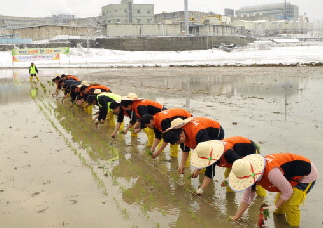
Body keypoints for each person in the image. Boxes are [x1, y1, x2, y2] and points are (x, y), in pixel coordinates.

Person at [229, 153, 317, 226]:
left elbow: (288, 191)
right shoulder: (250, 172)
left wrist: (273, 207)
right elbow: (247, 198)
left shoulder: (272, 173)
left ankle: (294, 226)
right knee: (278, 210)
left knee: (291, 206)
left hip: (306, 175)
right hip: (288, 175)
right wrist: (237, 217)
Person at [190, 137, 266, 196]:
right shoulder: (210, 157)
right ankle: (230, 194)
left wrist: (227, 180)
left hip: (248, 150)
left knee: (254, 178)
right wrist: (201, 189)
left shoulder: (228, 153)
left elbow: (242, 167)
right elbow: (208, 176)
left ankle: (261, 197)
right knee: (227, 174)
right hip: (235, 157)